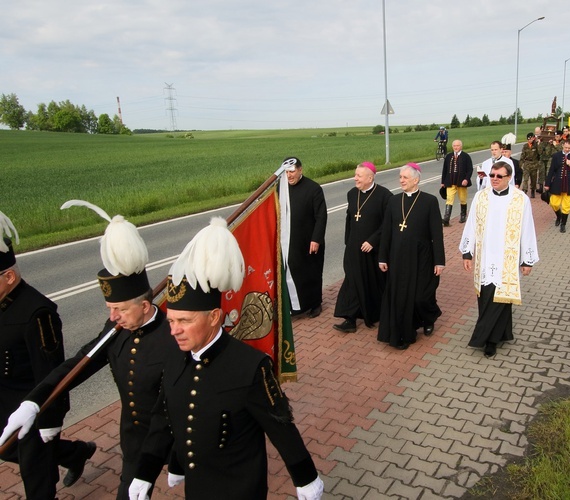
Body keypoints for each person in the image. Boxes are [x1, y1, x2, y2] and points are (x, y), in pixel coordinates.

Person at [128, 217, 324, 500]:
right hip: (197, 487)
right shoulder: (174, 356)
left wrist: (305, 477)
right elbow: (164, 416)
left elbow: (279, 425)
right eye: (171, 320)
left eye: (184, 320)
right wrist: (146, 471)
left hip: (240, 487)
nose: (174, 331)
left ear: (214, 317)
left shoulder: (249, 366)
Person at [0, 202, 175, 500]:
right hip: (135, 439)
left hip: (176, 436)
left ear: (145, 307)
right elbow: (78, 363)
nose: (112, 317)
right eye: (109, 309)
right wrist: (35, 401)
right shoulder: (114, 331)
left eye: (119, 309)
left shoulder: (174, 339)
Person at [0, 212, 95, 499]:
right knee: (8, 452)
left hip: (32, 408)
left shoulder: (37, 313)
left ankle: (62, 454)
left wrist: (49, 422)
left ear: (9, 276)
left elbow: (52, 373)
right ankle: (76, 453)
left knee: (37, 479)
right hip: (4, 404)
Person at [459, 162, 539, 357]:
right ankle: (502, 333)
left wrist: (526, 260)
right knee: (486, 297)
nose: (494, 178)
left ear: (509, 178)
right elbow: (471, 224)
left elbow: (527, 229)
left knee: (502, 300)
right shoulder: (481, 196)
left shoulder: (520, 199)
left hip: (507, 260)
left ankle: (489, 340)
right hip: (485, 258)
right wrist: (467, 252)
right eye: (492, 175)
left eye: (498, 176)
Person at [378, 163, 445, 350]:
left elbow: (436, 234)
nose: (401, 180)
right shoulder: (393, 201)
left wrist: (439, 261)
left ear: (416, 180)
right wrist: (382, 257)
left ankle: (430, 317)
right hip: (398, 257)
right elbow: (386, 232)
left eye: (405, 178)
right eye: (400, 177)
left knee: (421, 296)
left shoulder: (429, 201)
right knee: (401, 296)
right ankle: (407, 328)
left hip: (422, 257)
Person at [333, 162, 393, 333]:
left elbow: (387, 224)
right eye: (355, 175)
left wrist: (373, 241)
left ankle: (376, 313)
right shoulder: (352, 194)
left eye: (358, 175)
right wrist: (348, 242)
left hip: (373, 250)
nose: (355, 178)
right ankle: (349, 318)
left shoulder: (384, 196)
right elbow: (349, 219)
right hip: (353, 248)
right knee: (351, 281)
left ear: (370, 177)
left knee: (372, 282)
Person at [282, 157, 327, 318]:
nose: (289, 176)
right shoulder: (281, 190)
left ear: (300, 170)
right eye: (286, 172)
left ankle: (315, 304)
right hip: (289, 241)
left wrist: (316, 239)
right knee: (292, 273)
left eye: (292, 171)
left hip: (309, 240)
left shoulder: (314, 189)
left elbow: (321, 216)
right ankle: (294, 306)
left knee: (311, 273)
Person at [544, 139, 570, 233]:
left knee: (567, 205)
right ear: (562, 146)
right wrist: (547, 184)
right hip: (557, 182)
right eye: (565, 147)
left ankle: (563, 224)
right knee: (554, 203)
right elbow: (551, 170)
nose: (567, 149)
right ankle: (559, 216)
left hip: (569, 183)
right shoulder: (556, 156)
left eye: (569, 148)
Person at [440, 139, 473, 225]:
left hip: (461, 183)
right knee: (449, 199)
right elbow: (445, 170)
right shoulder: (448, 156)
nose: (456, 147)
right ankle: (446, 219)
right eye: (454, 146)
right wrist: (443, 182)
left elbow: (470, 170)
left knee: (462, 199)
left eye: (457, 146)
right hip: (450, 182)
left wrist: (466, 179)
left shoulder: (466, 156)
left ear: (461, 146)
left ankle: (463, 216)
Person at [519, 132, 543, 198]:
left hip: (534, 164)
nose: (530, 140)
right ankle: (525, 190)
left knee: (533, 179)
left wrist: (538, 144)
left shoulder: (536, 145)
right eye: (529, 139)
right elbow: (522, 155)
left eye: (532, 138)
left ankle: (533, 190)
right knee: (525, 179)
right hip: (527, 164)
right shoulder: (525, 146)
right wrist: (520, 164)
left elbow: (540, 152)